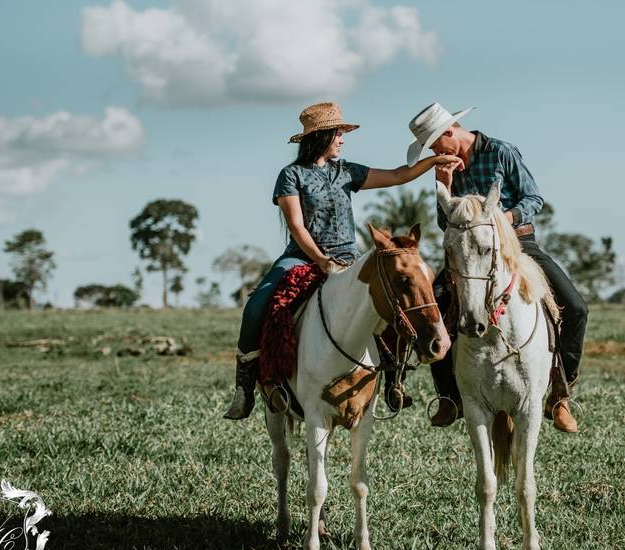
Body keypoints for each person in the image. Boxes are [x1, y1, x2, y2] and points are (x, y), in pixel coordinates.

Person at [224, 101, 462, 419]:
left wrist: (434, 160)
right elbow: (296, 225)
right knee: (259, 304)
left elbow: (397, 175)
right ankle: (245, 384)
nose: (342, 139)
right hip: (301, 258)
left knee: (392, 302)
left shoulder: (347, 172)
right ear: (321, 137)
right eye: (338, 134)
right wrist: (320, 259)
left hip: (349, 260)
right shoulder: (290, 176)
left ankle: (393, 380)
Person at [406, 103, 588, 433]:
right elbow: (443, 222)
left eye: (434, 145)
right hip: (468, 254)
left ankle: (560, 396)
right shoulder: (446, 168)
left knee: (575, 307)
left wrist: (502, 221)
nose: (434, 153)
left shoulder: (502, 152)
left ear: (449, 132)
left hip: (518, 244)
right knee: (436, 302)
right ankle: (449, 397)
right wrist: (443, 187)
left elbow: (533, 199)